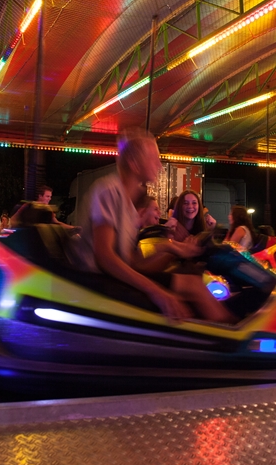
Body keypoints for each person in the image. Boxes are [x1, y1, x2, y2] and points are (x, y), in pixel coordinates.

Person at [71, 128, 235, 323]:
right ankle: (234, 337)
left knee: (193, 282)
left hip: (112, 277)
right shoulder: (109, 190)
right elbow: (105, 257)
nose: (159, 165)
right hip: (99, 281)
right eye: (154, 159)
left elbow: (134, 263)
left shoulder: (128, 203)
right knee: (192, 286)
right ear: (135, 164)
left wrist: (173, 249)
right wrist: (156, 291)